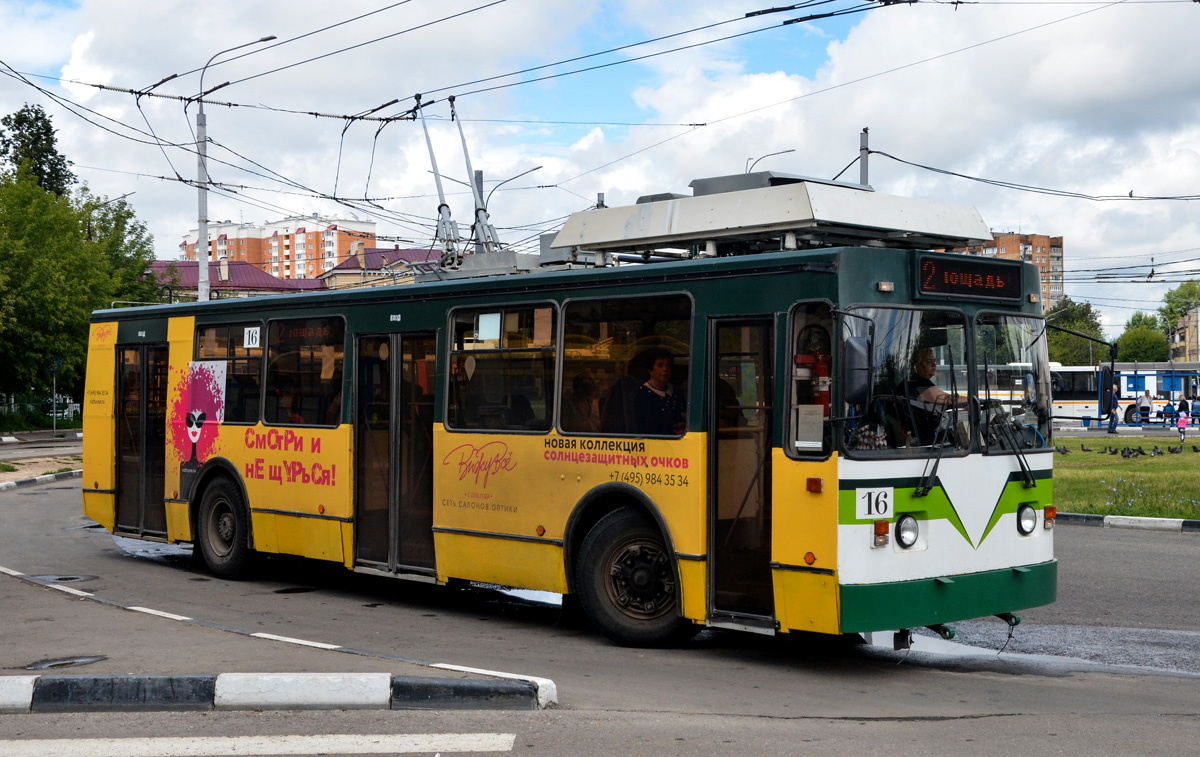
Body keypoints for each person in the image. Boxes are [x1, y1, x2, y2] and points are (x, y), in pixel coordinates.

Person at [634, 350, 686, 435]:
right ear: (650, 370)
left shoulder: (676, 390)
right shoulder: (643, 395)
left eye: (668, 365)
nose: (665, 369)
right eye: (660, 365)